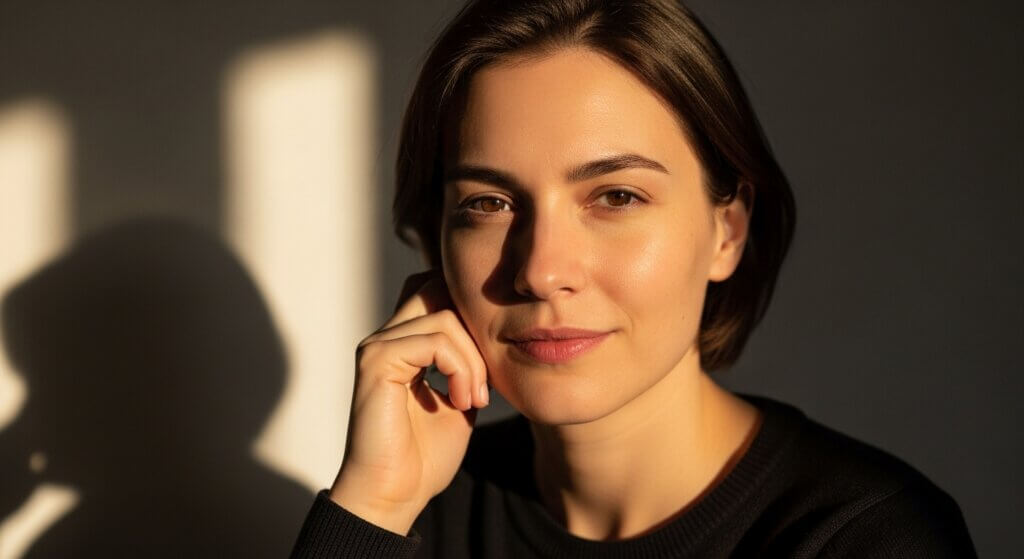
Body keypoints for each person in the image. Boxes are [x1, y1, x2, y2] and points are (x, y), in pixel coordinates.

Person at [291, 0, 977, 556]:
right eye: (489, 204)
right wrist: (372, 507)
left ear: (727, 230)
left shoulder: (863, 535)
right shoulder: (415, 512)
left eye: (616, 196)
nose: (542, 270)